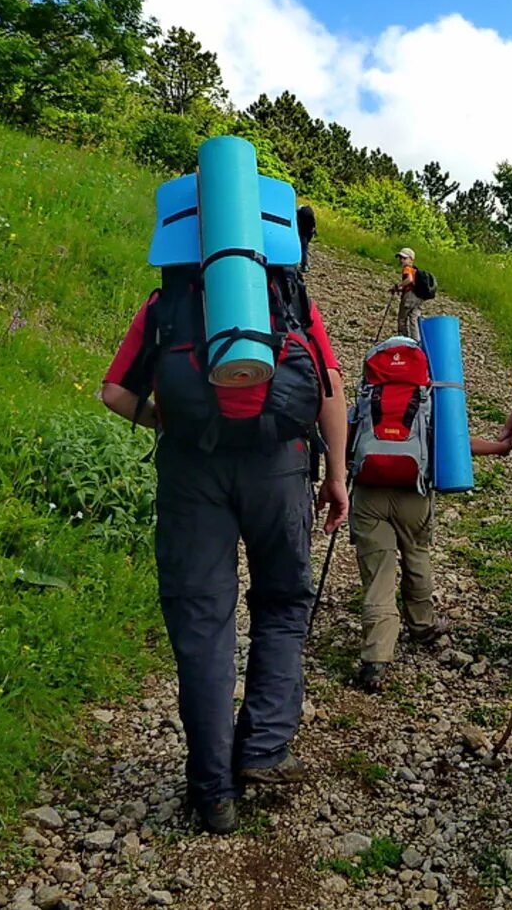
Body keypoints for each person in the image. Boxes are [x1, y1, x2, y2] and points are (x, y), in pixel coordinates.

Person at [101, 261, 348, 836]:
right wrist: (336, 474)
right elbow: (328, 391)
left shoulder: (168, 303)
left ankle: (213, 791)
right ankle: (263, 749)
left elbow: (114, 392)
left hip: (192, 472)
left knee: (203, 624)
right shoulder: (288, 296)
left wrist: (174, 420)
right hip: (279, 463)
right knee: (284, 603)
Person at [352, 435, 512, 691]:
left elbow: (346, 441)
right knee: (416, 554)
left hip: (369, 492)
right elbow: (457, 440)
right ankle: (422, 625)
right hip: (414, 493)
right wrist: (500, 447)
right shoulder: (430, 398)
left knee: (379, 574)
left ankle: (375, 659)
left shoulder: (367, 394)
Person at [394, 246, 424, 340]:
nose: (401, 260)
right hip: (418, 297)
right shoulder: (415, 270)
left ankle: (403, 339)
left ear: (411, 259)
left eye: (404, 258)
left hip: (409, 296)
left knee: (402, 319)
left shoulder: (407, 269)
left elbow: (409, 280)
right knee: (414, 319)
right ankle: (416, 341)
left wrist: (399, 286)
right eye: (400, 258)